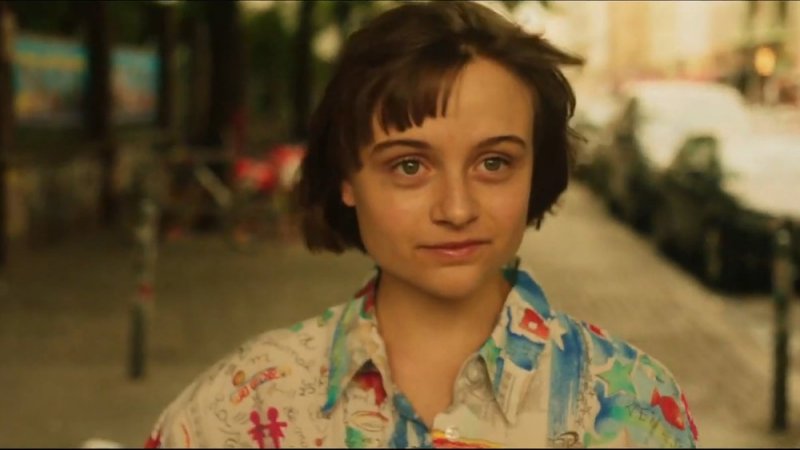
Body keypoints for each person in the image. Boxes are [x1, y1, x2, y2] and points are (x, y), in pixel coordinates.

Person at [144, 1, 699, 448]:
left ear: (537, 169)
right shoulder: (236, 411)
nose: (456, 209)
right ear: (346, 177)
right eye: (409, 166)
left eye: (494, 163)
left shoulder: (633, 405)